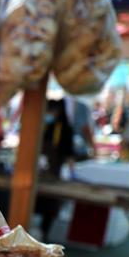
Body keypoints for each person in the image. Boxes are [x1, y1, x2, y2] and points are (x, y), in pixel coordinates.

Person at [36, 99, 73, 242]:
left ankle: (45, 232)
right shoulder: (44, 125)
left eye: (50, 111)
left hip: (55, 172)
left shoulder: (65, 128)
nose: (48, 114)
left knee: (50, 204)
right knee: (38, 201)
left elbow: (69, 153)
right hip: (40, 171)